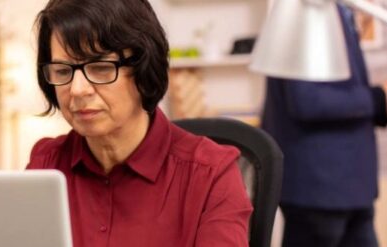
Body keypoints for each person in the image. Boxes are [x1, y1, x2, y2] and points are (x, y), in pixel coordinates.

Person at [26, 0, 252, 246]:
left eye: (101, 67)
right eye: (61, 72)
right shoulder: (46, 163)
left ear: (144, 68)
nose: (77, 90)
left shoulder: (212, 174)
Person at [260, 4, 387, 247]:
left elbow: (332, 93)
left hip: (346, 188)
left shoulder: (333, 11)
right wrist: (380, 96)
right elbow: (308, 100)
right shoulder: (308, 10)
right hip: (320, 190)